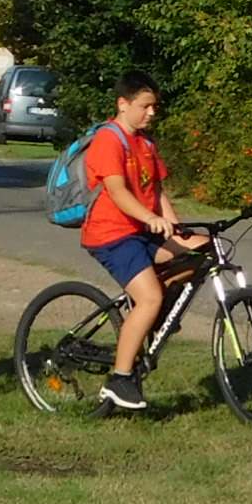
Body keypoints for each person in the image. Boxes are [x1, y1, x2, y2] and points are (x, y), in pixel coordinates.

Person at [70, 71, 195, 413]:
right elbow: (117, 191)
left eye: (155, 106)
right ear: (123, 104)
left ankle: (151, 320)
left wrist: (177, 228)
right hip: (111, 234)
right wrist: (150, 218)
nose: (152, 113)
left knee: (202, 251)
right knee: (150, 296)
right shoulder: (109, 140)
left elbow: (157, 191)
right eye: (145, 106)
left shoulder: (146, 144)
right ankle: (120, 378)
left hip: (141, 231)